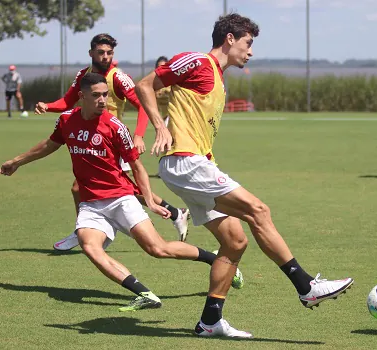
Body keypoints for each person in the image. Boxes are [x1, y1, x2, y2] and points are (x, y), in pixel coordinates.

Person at [135, 13, 354, 338]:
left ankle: (210, 321)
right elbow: (144, 85)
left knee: (234, 242)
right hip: (185, 162)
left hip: (195, 164)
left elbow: (166, 99)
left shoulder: (218, 78)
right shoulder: (197, 61)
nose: (250, 52)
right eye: (248, 43)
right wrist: (158, 125)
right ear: (230, 38)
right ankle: (306, 285)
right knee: (259, 211)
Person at [0, 73, 243, 312]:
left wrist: (150, 200)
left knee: (158, 249)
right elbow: (49, 145)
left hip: (121, 199)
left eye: (105, 95)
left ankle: (214, 259)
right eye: (96, 96)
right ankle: (145, 294)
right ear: (82, 96)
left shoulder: (115, 127)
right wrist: (17, 161)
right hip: (91, 204)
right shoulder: (66, 120)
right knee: (90, 246)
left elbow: (136, 166)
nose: (103, 100)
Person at [34, 34, 190, 248]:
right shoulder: (84, 75)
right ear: (91, 53)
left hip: (113, 141)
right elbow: (67, 101)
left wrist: (138, 135)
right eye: (101, 52)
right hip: (93, 140)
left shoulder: (118, 77)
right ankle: (175, 213)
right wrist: (48, 105)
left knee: (91, 189)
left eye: (109, 53)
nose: (106, 56)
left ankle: (85, 230)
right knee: (120, 189)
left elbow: (143, 104)